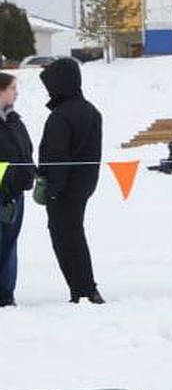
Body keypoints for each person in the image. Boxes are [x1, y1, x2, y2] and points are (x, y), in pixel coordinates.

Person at [35, 58, 103, 303]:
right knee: (75, 235)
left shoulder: (61, 116)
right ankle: (85, 287)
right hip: (83, 186)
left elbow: (56, 156)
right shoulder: (91, 111)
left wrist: (51, 188)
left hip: (62, 190)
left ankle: (83, 290)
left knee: (65, 239)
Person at [0, 72, 36, 306]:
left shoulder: (15, 121)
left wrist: (28, 174)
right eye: (12, 88)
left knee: (10, 243)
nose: (17, 92)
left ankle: (6, 293)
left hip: (14, 194)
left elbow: (26, 152)